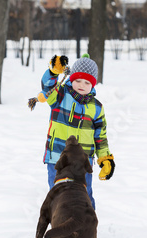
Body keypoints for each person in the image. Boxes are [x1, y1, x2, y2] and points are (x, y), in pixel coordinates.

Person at [34, 54, 115, 210]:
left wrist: (105, 158)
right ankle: (61, 227)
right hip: (57, 159)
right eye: (77, 80)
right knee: (58, 197)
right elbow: (47, 87)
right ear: (71, 79)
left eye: (87, 82)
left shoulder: (97, 108)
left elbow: (100, 137)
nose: (81, 85)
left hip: (83, 163)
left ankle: (86, 229)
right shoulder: (60, 95)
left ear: (93, 84)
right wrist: (53, 72)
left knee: (84, 197)